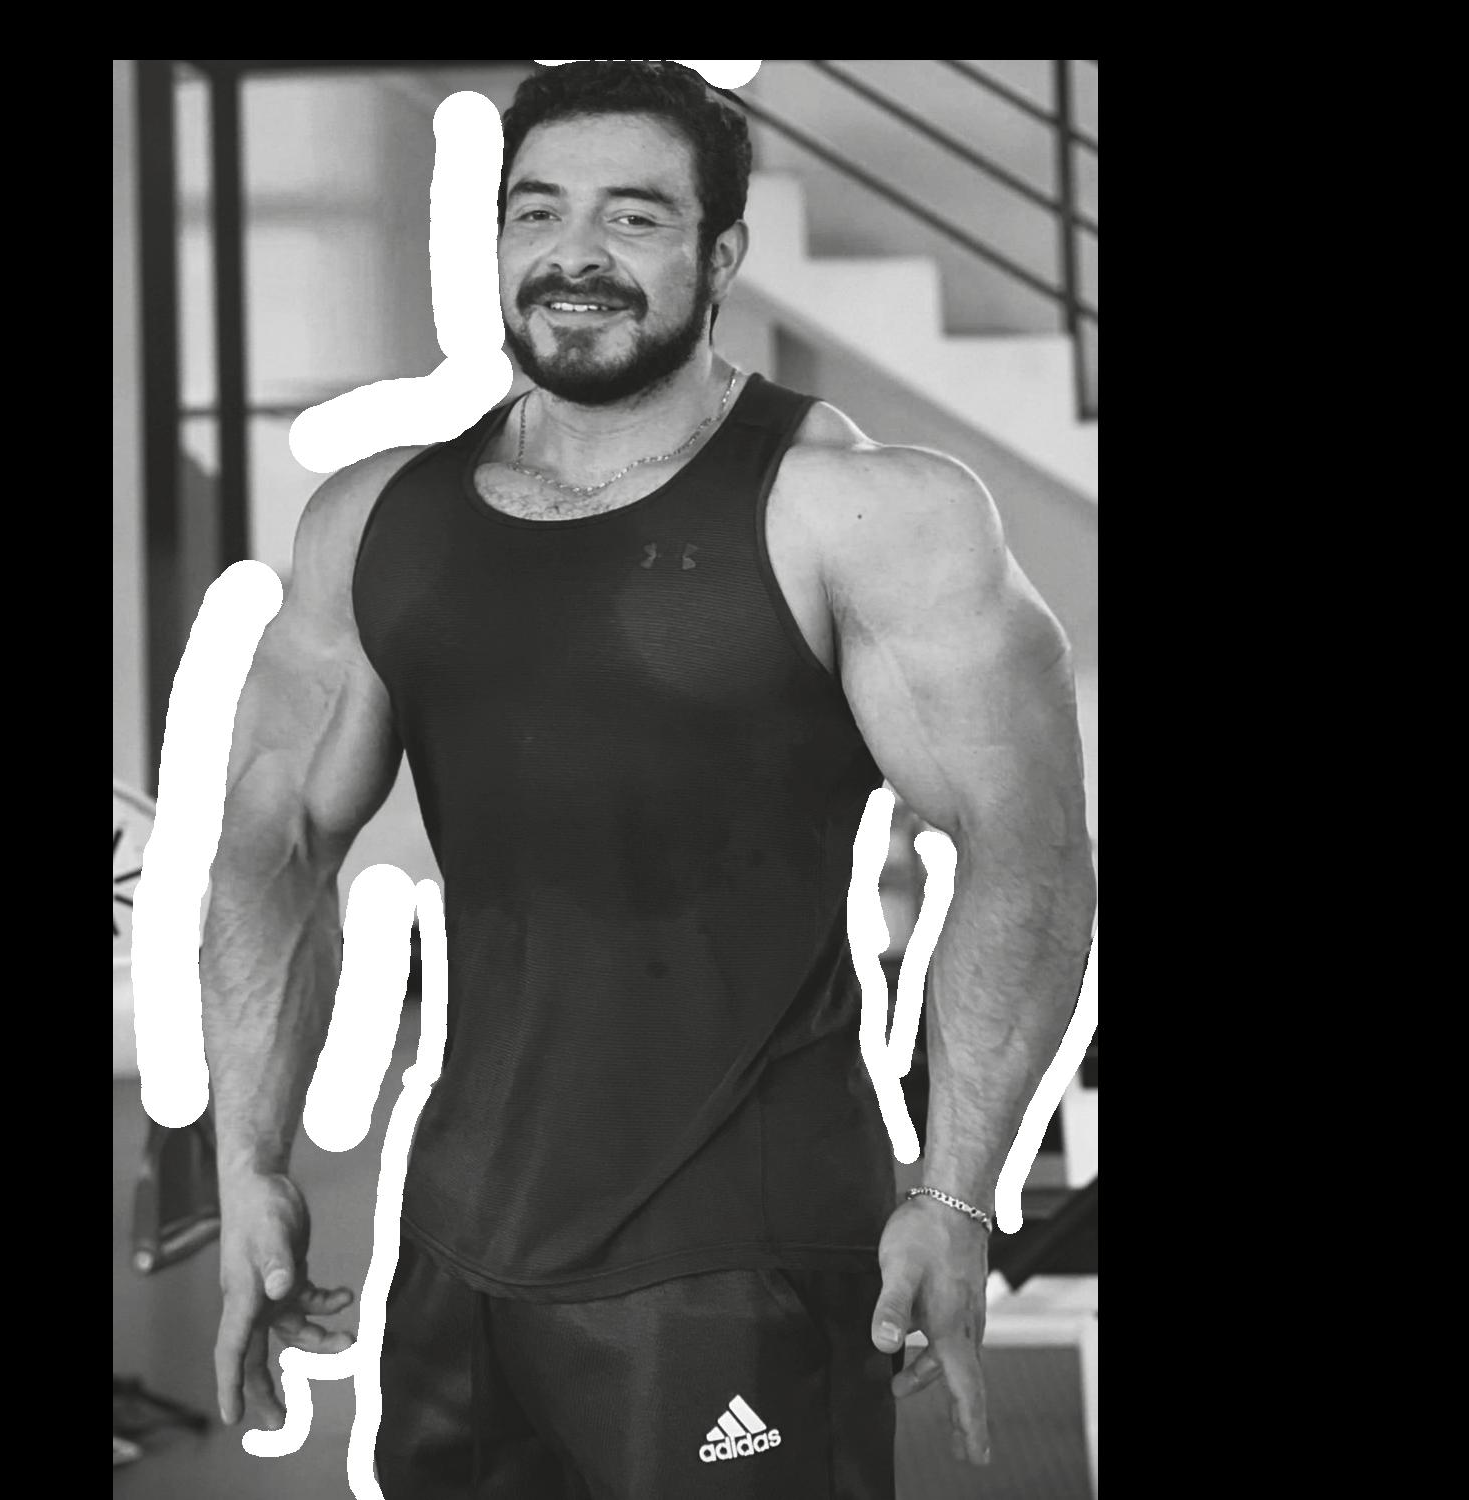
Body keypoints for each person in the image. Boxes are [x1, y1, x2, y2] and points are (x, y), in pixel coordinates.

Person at [202, 59, 1097, 1500]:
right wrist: (248, 1166)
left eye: (634, 217)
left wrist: (956, 1190)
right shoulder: (374, 521)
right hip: (457, 1247)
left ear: (721, 255)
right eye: (538, 211)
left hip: (736, 1255)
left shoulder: (861, 513)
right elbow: (275, 838)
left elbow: (1026, 849)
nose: (576, 254)